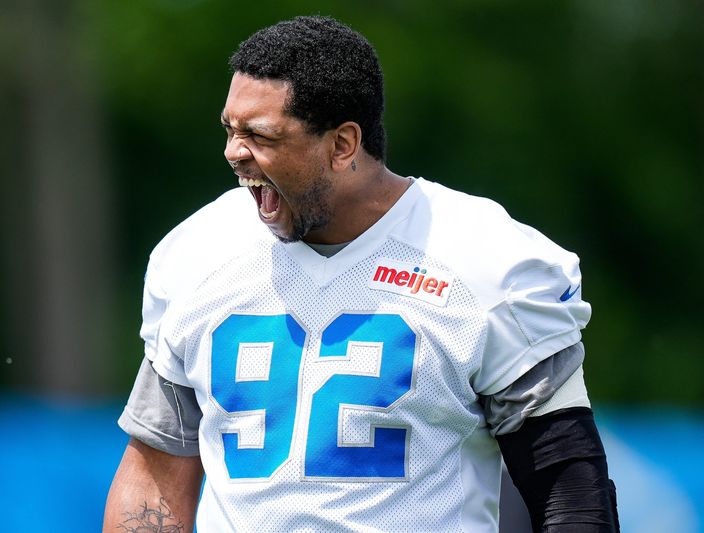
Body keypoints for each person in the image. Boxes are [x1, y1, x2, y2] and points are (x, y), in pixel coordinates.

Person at [103, 16, 619, 533]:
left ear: (343, 144)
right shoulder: (198, 254)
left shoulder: (485, 261)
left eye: (260, 135)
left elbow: (570, 491)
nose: (234, 153)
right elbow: (154, 476)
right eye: (231, 130)